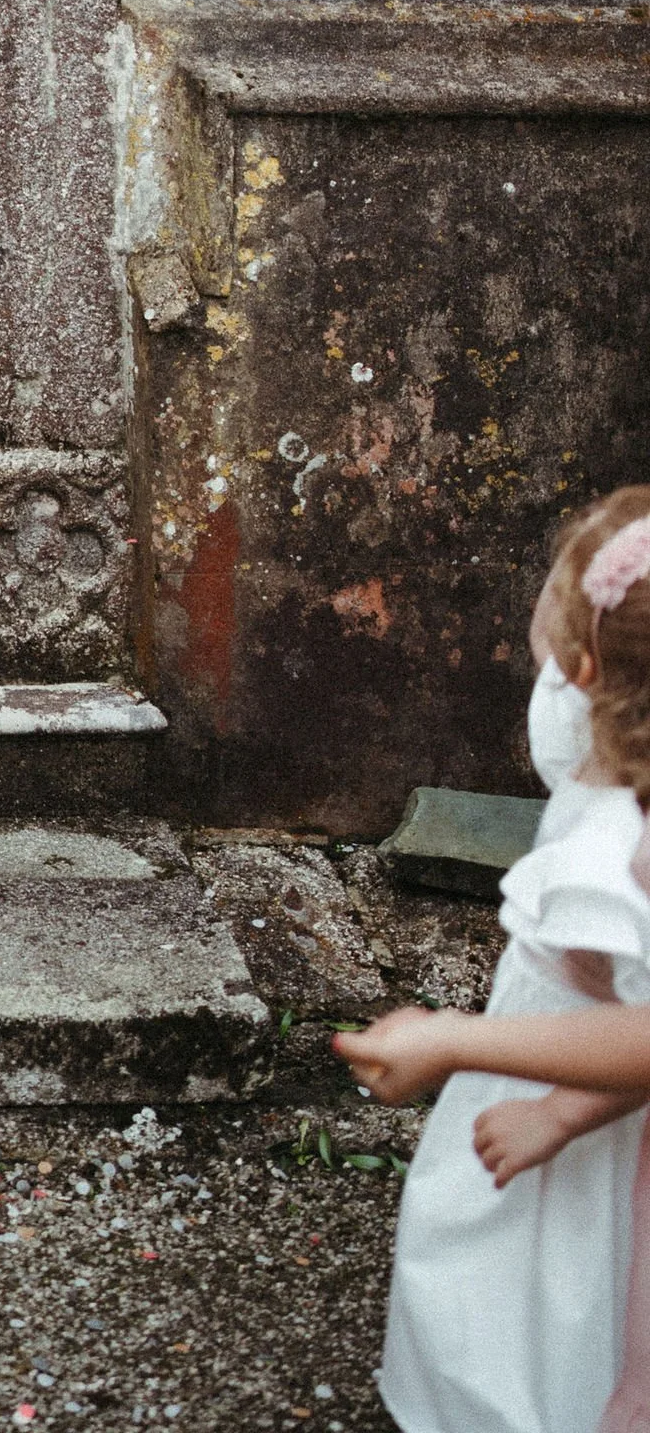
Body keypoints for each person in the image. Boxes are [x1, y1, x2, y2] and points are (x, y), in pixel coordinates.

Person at [334, 490, 650, 1433]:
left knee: (530, 1323)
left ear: (588, 672)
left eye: (547, 636)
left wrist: (463, 1048)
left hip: (581, 1133)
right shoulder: (617, 790)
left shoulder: (610, 859)